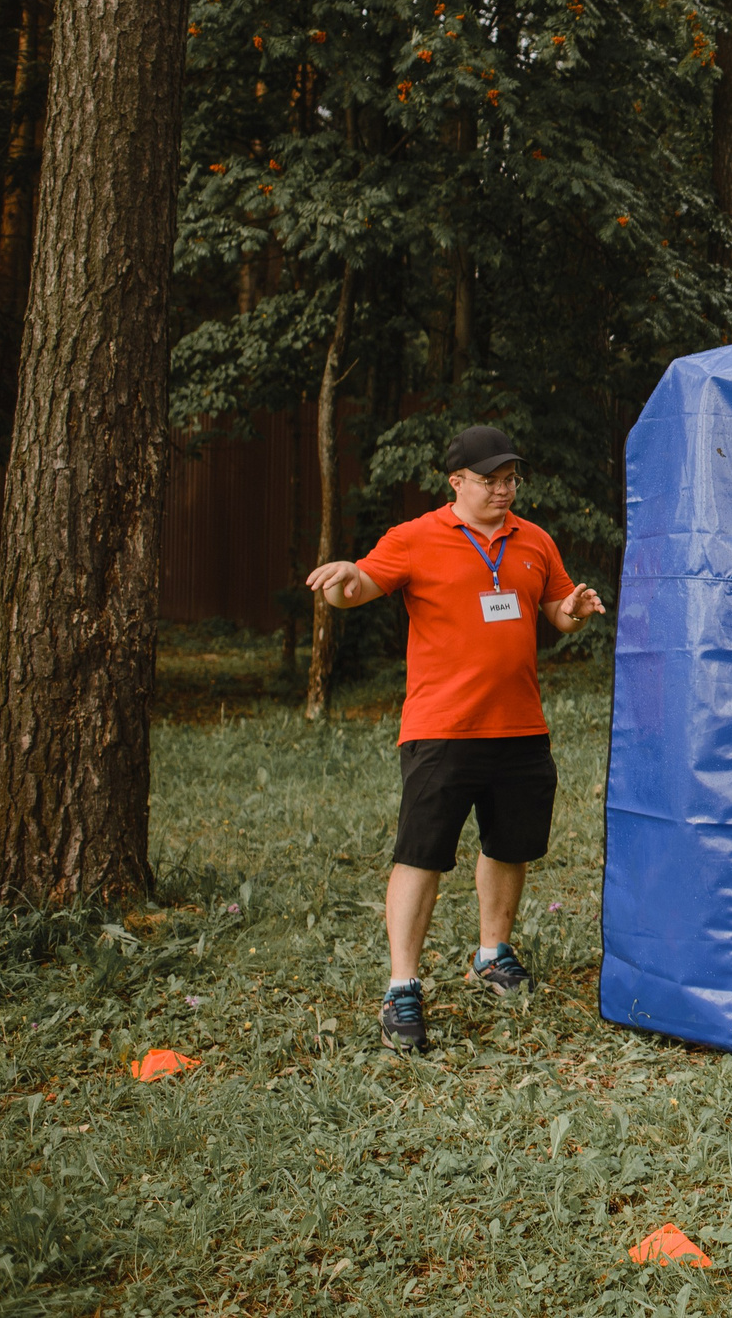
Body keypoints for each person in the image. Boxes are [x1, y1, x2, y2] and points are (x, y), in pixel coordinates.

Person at [304, 425, 606, 1053]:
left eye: (510, 479)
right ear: (457, 482)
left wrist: (574, 609)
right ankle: (401, 987)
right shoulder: (414, 537)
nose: (504, 489)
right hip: (441, 729)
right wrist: (339, 585)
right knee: (421, 855)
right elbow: (359, 587)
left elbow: (556, 615)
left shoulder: (535, 541)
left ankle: (493, 955)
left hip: (521, 726)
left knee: (509, 845)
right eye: (491, 480)